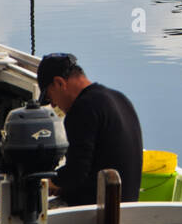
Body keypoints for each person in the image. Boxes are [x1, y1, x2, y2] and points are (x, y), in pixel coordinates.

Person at [35, 53, 142, 206]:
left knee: (34, 210)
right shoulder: (119, 98)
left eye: (50, 98)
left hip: (100, 213)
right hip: (129, 205)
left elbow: (76, 172)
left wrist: (50, 181)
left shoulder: (82, 108)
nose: (53, 106)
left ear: (59, 83)